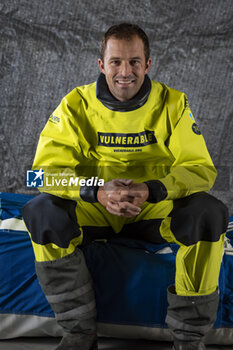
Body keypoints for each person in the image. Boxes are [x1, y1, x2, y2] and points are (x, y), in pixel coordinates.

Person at [22, 23, 229, 350]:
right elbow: (39, 176)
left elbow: (200, 170)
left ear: (148, 64)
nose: (125, 71)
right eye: (116, 61)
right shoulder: (76, 104)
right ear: (101, 65)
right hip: (95, 211)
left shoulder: (172, 104)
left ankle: (189, 339)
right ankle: (78, 334)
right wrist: (96, 190)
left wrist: (151, 190)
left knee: (210, 212)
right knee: (40, 211)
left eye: (134, 61)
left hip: (152, 212)